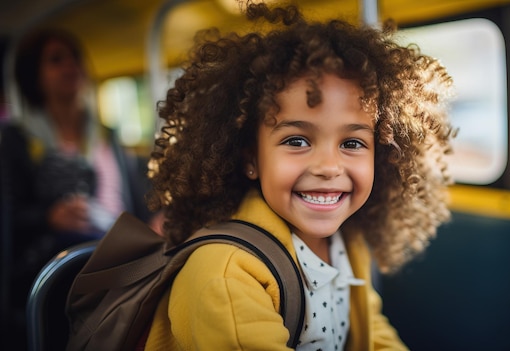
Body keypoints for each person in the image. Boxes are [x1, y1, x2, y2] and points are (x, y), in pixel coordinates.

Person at [144, 3, 454, 350]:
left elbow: (369, 329)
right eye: (297, 140)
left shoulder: (346, 244)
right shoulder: (225, 273)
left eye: (352, 142)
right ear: (251, 158)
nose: (328, 166)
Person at [0, 27, 154, 347]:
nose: (70, 66)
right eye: (56, 60)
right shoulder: (16, 140)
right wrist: (48, 216)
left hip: (121, 246)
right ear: (34, 75)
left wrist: (152, 223)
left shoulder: (106, 135)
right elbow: (10, 216)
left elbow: (133, 199)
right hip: (65, 259)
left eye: (74, 58)